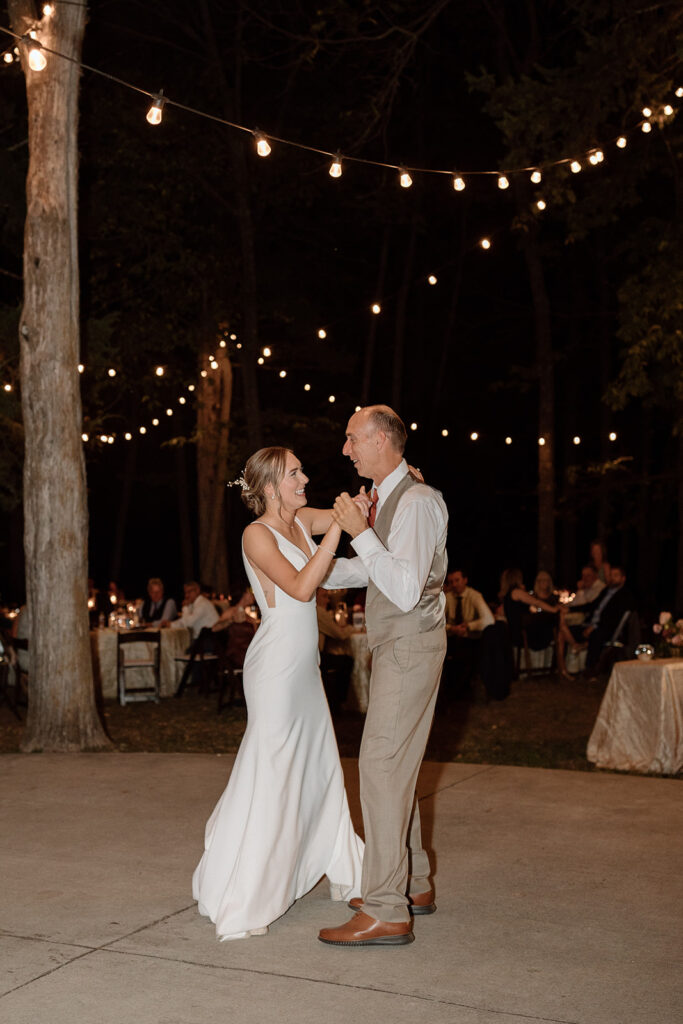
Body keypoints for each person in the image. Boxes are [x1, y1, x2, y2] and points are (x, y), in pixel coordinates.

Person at [192, 447, 364, 940]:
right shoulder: (256, 534)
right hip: (274, 669)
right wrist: (336, 532)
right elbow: (303, 588)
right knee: (273, 770)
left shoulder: (300, 520)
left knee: (320, 762)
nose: (305, 477)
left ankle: (345, 866)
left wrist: (382, 491)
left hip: (303, 668)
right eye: (295, 473)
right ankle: (248, 885)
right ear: (269, 487)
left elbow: (345, 511)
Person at [317, 404, 448, 948]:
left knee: (380, 765)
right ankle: (411, 882)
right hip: (402, 644)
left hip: (410, 644)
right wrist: (317, 574)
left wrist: (357, 532)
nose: (345, 450)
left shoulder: (416, 501)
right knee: (398, 764)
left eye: (352, 439)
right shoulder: (391, 499)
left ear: (381, 440)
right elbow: (378, 572)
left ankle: (386, 908)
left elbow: (406, 588)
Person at [442, 568, 494, 701]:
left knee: (464, 654)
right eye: (451, 581)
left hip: (471, 638)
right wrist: (451, 628)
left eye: (457, 580)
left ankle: (460, 692)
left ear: (465, 580)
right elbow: (440, 621)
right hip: (451, 637)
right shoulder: (448, 598)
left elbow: (489, 619)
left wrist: (469, 626)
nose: (454, 584)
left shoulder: (474, 596)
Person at [581, 565, 636, 671]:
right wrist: (569, 608)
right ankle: (563, 667)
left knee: (596, 635)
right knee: (566, 629)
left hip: (607, 628)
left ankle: (590, 669)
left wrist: (595, 626)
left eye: (615, 575)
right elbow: (593, 605)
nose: (612, 578)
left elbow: (613, 618)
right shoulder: (606, 590)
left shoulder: (624, 595)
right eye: (611, 575)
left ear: (623, 578)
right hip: (592, 623)